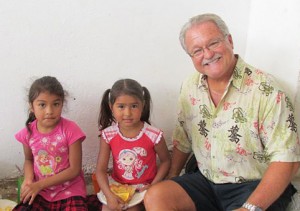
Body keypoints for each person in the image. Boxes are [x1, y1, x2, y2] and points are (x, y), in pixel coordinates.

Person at [144, 13, 300, 211]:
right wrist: (173, 175)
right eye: (197, 50)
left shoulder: (266, 90)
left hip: (254, 185)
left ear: (230, 40)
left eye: (213, 43)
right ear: (191, 57)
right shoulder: (190, 86)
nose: (208, 55)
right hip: (206, 181)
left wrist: (249, 208)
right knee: (157, 197)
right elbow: (182, 138)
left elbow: (287, 160)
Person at [14, 76, 101, 210]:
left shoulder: (71, 130)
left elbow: (74, 170)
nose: (49, 111)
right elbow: (28, 159)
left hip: (70, 191)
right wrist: (28, 179)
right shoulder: (27, 133)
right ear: (31, 106)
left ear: (62, 104)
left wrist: (39, 185)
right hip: (40, 192)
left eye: (55, 104)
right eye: (42, 105)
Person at [95, 78, 171, 211]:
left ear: (143, 105)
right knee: (107, 209)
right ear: (111, 106)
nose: (128, 113)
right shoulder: (108, 135)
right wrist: (109, 196)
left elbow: (166, 161)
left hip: (144, 187)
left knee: (133, 209)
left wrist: (153, 185)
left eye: (134, 106)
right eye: (121, 106)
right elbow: (100, 170)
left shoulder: (153, 135)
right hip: (118, 186)